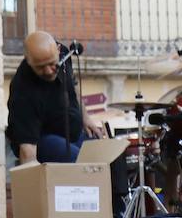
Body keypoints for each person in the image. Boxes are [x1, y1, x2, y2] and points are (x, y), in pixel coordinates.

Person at [7, 31, 107, 163]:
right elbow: (28, 150)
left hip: (71, 133)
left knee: (108, 155)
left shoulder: (65, 55)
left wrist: (86, 118)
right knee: (81, 161)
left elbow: (73, 85)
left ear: (58, 51)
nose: (48, 71)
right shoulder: (22, 91)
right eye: (40, 67)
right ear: (28, 60)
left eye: (52, 63)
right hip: (42, 139)